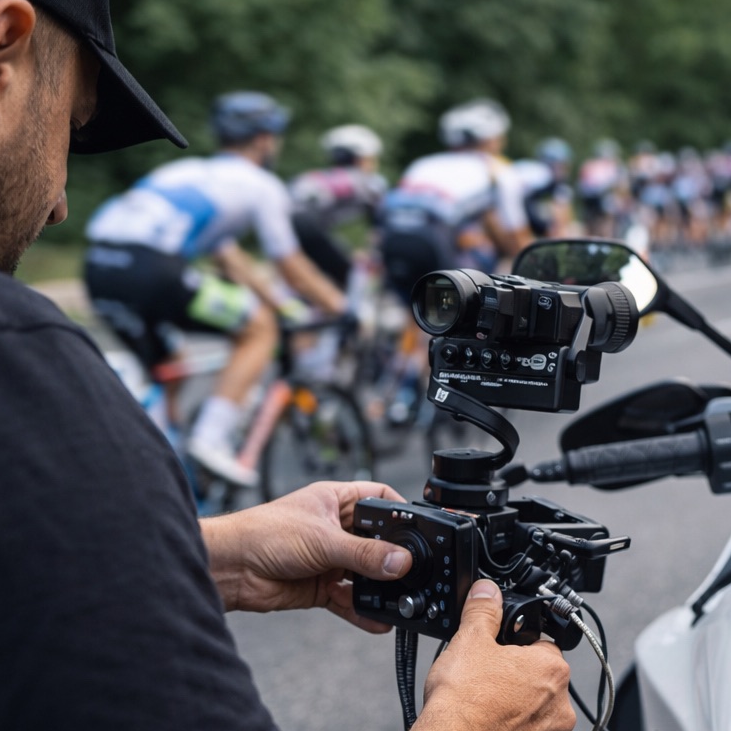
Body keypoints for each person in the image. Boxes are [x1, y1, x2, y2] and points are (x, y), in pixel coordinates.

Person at [0, 0, 575, 731]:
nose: (58, 197)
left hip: (133, 273)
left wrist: (204, 555)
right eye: (69, 133)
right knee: (253, 336)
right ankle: (209, 431)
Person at [84, 91, 351, 486]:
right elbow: (292, 266)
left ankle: (164, 461)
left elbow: (232, 261)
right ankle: (210, 441)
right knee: (260, 328)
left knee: (167, 362)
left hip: (99, 264)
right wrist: (341, 305)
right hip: (152, 267)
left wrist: (272, 299)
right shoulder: (261, 185)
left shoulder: (189, 170)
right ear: (263, 139)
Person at [380, 98, 532, 294]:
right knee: (461, 310)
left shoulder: (423, 163)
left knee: (418, 309)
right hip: (433, 240)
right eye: (501, 137)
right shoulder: (497, 169)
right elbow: (517, 236)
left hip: (392, 238)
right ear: (490, 140)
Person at [289, 123, 388, 291]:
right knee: (350, 278)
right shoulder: (369, 182)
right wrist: (375, 256)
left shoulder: (312, 177)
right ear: (361, 159)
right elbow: (381, 226)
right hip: (307, 226)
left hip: (290, 227)